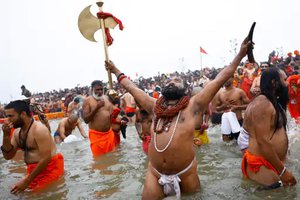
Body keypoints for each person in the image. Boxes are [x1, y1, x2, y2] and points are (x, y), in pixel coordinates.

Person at [105, 39, 251, 199]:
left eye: (176, 81)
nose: (172, 82)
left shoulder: (194, 105)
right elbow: (131, 87)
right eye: (169, 81)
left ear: (185, 89)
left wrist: (240, 54)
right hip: (155, 173)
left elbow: (220, 79)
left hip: (186, 172)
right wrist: (114, 69)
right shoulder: (154, 106)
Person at [241, 68, 297, 188]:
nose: (287, 83)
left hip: (273, 162)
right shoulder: (262, 104)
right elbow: (263, 141)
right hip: (262, 166)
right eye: (284, 79)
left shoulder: (272, 102)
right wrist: (283, 171)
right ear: (274, 82)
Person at [1, 100, 64, 193]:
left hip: (50, 170)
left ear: (23, 114)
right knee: (13, 192)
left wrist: (26, 181)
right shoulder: (16, 133)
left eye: (10, 116)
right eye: (6, 117)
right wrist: (6, 136)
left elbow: (46, 158)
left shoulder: (39, 130)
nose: (7, 120)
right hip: (33, 172)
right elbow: (8, 156)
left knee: (33, 196)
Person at [82, 80, 116, 156]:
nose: (100, 91)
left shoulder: (106, 98)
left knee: (112, 157)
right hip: (96, 136)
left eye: (101, 89)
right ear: (92, 90)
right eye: (97, 89)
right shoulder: (87, 101)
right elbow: (86, 120)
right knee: (99, 160)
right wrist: (97, 107)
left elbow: (110, 115)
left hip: (109, 134)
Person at [216, 76, 250, 141]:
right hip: (226, 123)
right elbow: (216, 109)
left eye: (227, 78)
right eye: (224, 78)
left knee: (240, 144)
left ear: (232, 78)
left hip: (238, 121)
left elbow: (250, 105)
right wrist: (223, 106)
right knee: (226, 145)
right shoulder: (220, 93)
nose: (225, 80)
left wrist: (237, 107)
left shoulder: (239, 92)